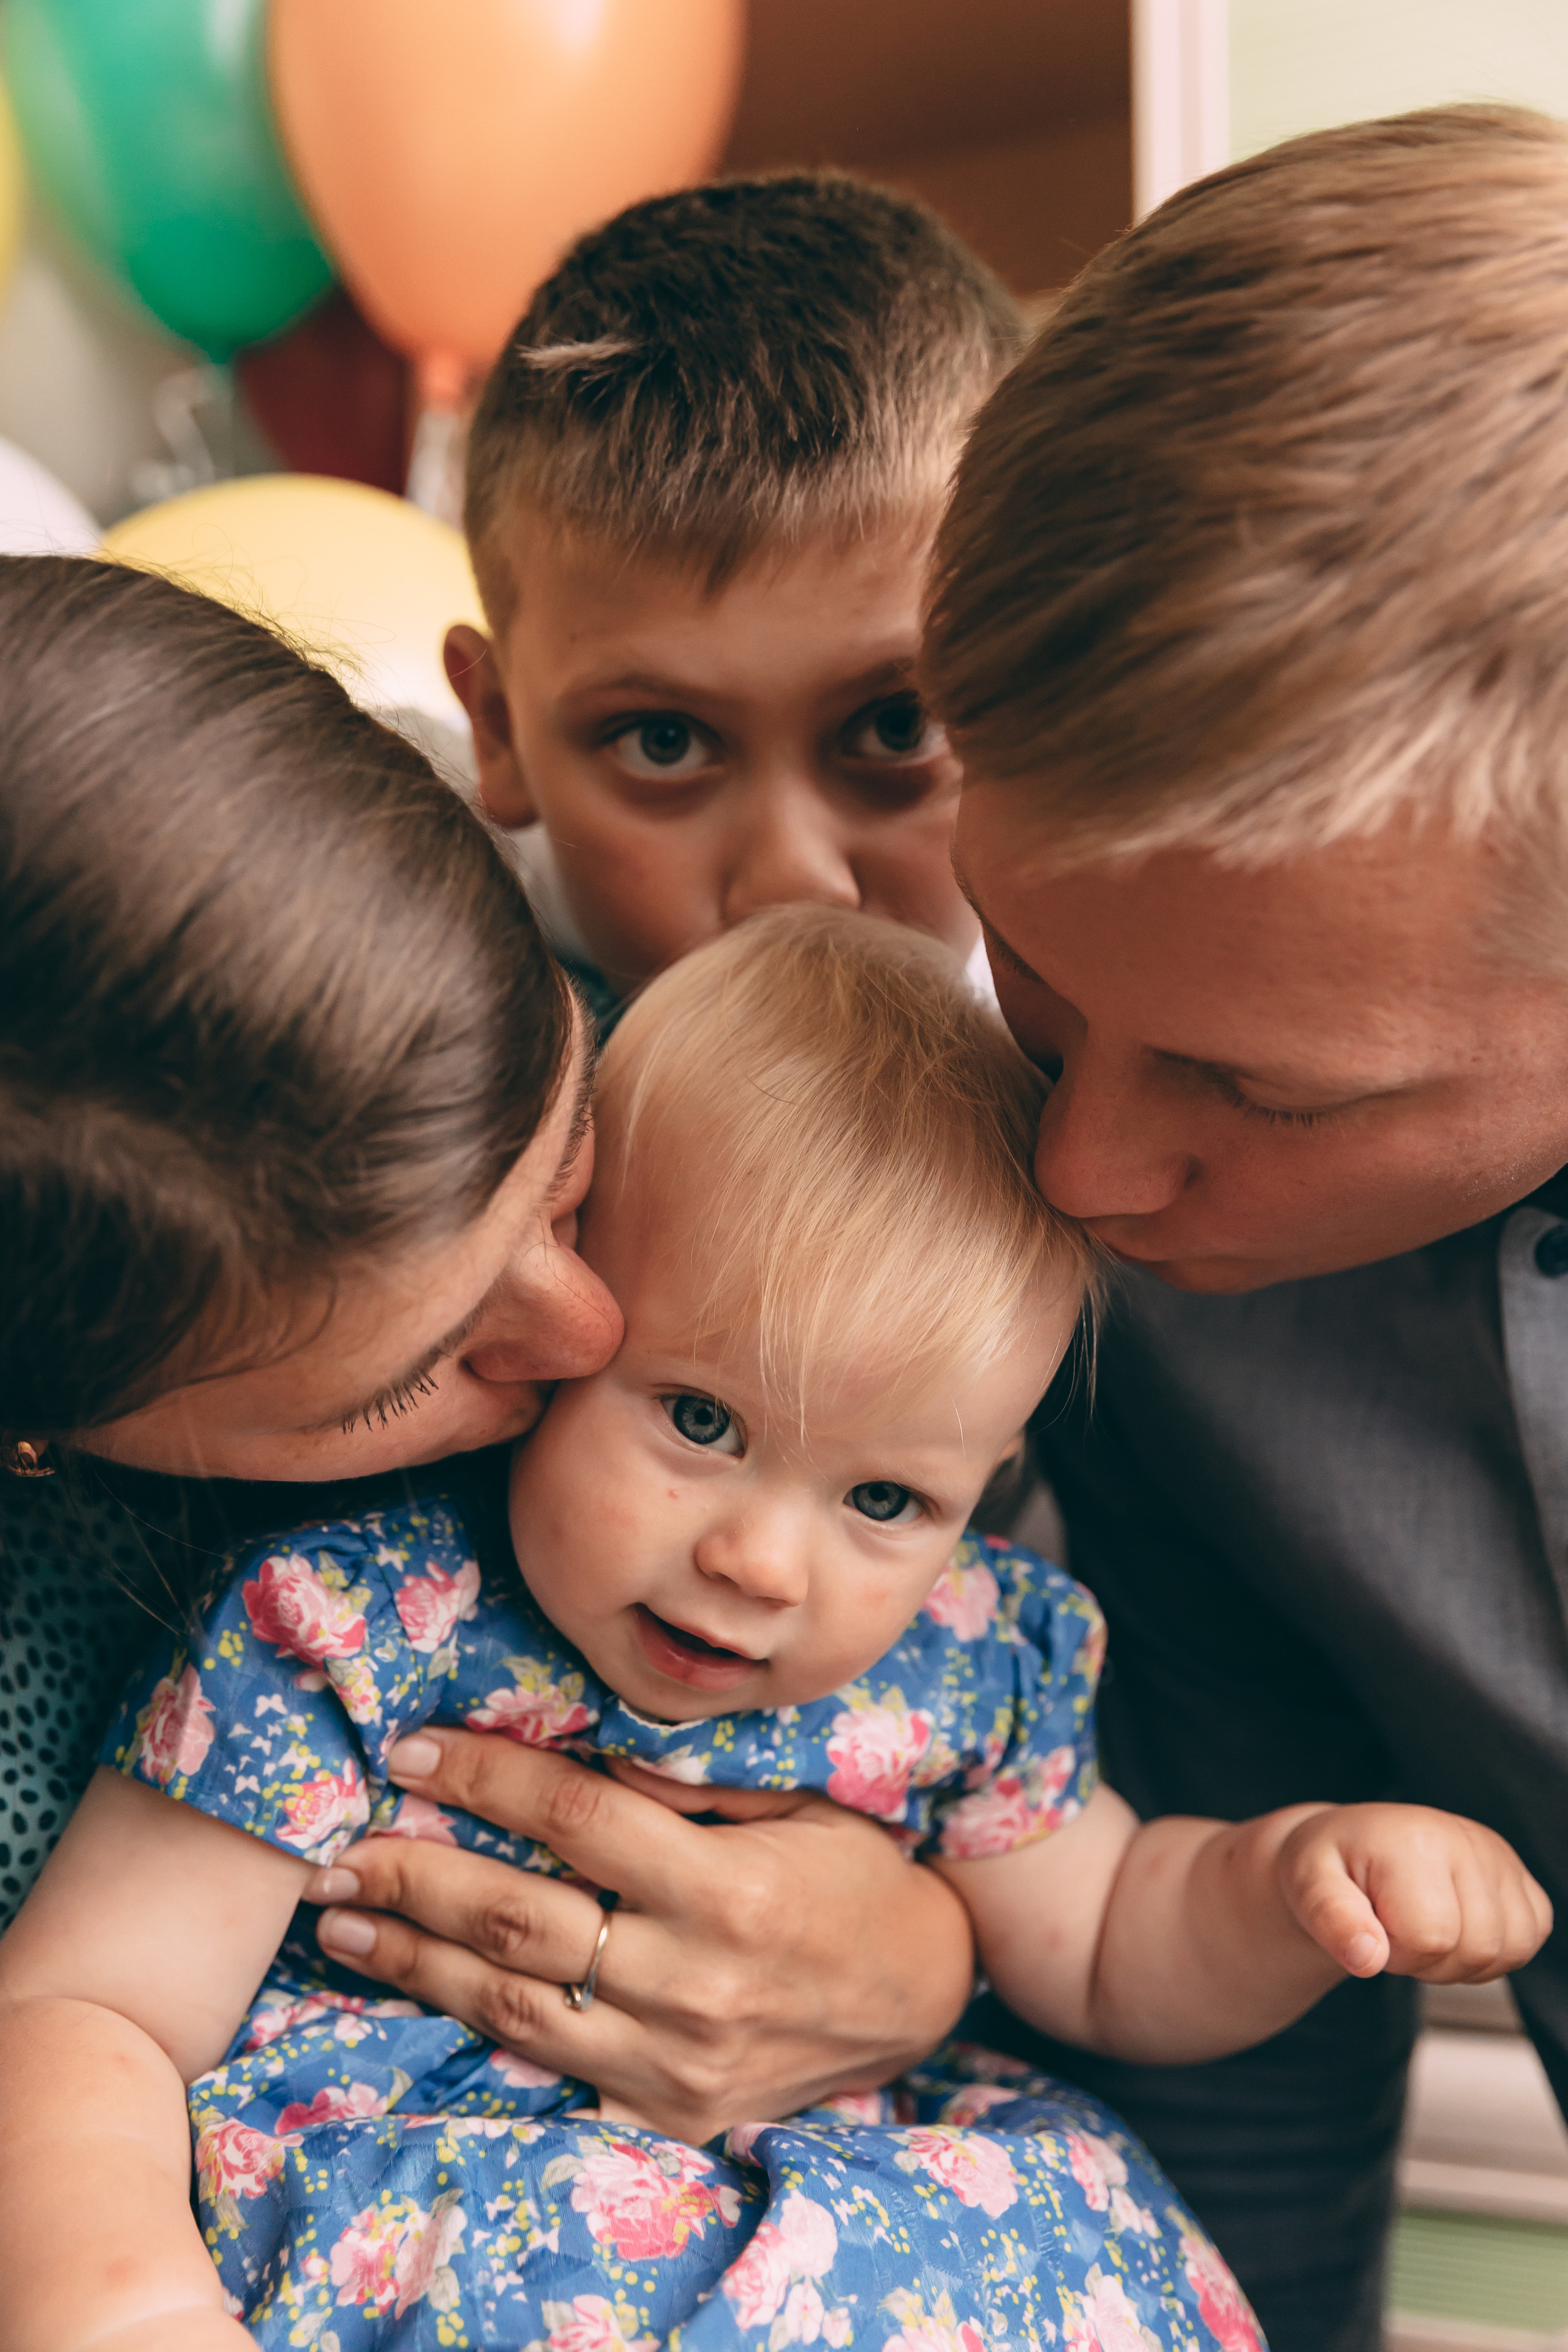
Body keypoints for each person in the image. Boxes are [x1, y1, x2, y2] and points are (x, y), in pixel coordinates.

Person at [1, 907, 1545, 2352]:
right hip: (447, 2215)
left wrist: (1288, 1883)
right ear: (565, 1308)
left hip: (864, 2212)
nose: (755, 1561)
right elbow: (93, 2003)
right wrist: (119, 2301)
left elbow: (1107, 1944)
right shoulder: (355, 1621)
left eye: (881, 1496)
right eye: (696, 1416)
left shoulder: (969, 1657)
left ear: (983, 1483)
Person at [0, 554, 970, 2162]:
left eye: (568, 1170)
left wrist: (927, 1952)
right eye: (408, 1372)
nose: (590, 1332)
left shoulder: (695, 1071)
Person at [916, 100, 1568, 2352]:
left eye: (1255, 1086)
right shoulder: (1185, 1297)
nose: (1081, 1175)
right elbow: (1265, 2081)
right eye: (1035, 969)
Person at [442, 170, 1023, 1027]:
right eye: (663, 743)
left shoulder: (1134, 1092)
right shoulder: (447, 1111)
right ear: (498, 731)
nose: (793, 883)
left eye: (900, 727)